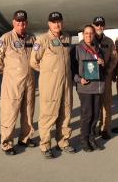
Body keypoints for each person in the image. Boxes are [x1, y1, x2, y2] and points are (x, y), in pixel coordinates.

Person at [30, 12, 75, 159]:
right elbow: (33, 62)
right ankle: (45, 145)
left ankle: (63, 142)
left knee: (66, 113)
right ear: (49, 24)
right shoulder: (42, 40)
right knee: (48, 114)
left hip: (66, 83)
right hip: (50, 84)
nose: (57, 24)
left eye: (59, 21)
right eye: (53, 22)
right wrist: (48, 73)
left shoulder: (67, 37)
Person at [0, 10, 37, 156]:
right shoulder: (6, 38)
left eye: (23, 22)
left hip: (29, 80)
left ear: (26, 23)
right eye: (18, 22)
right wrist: (8, 73)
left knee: (28, 110)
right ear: (14, 23)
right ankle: (7, 143)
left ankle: (25, 138)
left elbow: (37, 56)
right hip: (12, 82)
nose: (21, 25)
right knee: (10, 112)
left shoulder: (31, 38)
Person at [72, 25, 106, 152]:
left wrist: (102, 63)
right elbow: (73, 69)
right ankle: (84, 140)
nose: (88, 36)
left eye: (91, 33)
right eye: (86, 33)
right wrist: (78, 79)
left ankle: (92, 138)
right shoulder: (77, 49)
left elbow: (102, 69)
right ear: (83, 34)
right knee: (87, 114)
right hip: (84, 87)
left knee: (96, 114)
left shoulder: (98, 48)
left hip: (97, 87)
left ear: (94, 35)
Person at [92, 16, 118, 140]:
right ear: (93, 26)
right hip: (92, 79)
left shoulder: (109, 41)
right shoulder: (89, 40)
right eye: (97, 25)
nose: (99, 27)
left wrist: (108, 71)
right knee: (93, 105)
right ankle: (93, 128)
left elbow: (114, 59)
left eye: (102, 24)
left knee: (106, 104)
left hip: (105, 77)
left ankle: (105, 129)